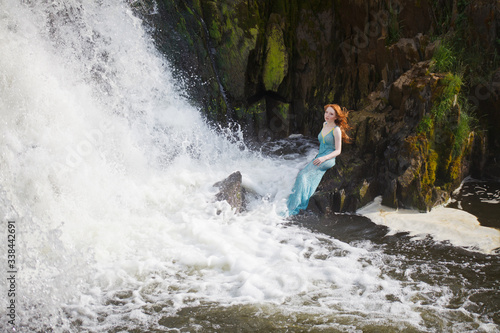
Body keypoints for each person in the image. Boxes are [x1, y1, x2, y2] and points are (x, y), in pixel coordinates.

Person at [286, 103, 351, 216]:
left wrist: (324, 158)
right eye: (326, 112)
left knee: (303, 175)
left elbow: (338, 151)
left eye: (331, 114)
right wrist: (319, 156)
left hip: (328, 158)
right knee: (301, 174)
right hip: (319, 155)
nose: (327, 115)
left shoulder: (336, 130)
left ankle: (297, 206)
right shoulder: (324, 124)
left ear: (336, 117)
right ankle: (291, 203)